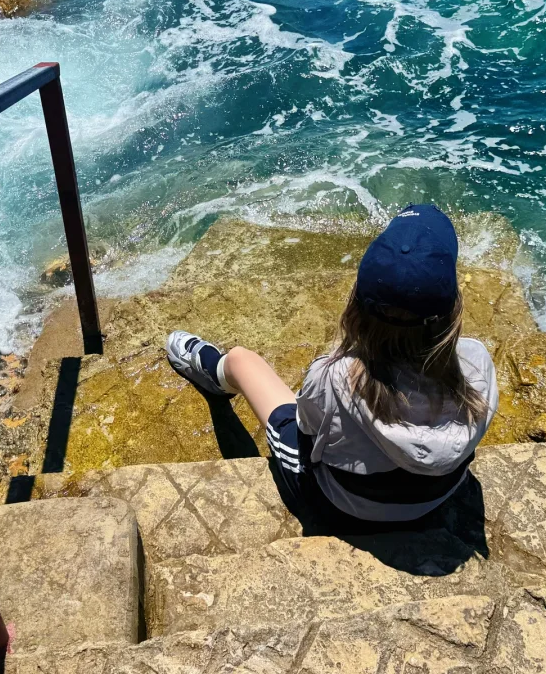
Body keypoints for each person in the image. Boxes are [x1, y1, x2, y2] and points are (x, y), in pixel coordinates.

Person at [165, 204, 498, 534]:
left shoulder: (331, 375)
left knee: (243, 360)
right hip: (435, 500)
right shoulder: (476, 363)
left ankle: (210, 373)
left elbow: (308, 436)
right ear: (453, 306)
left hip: (340, 506)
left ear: (356, 305)